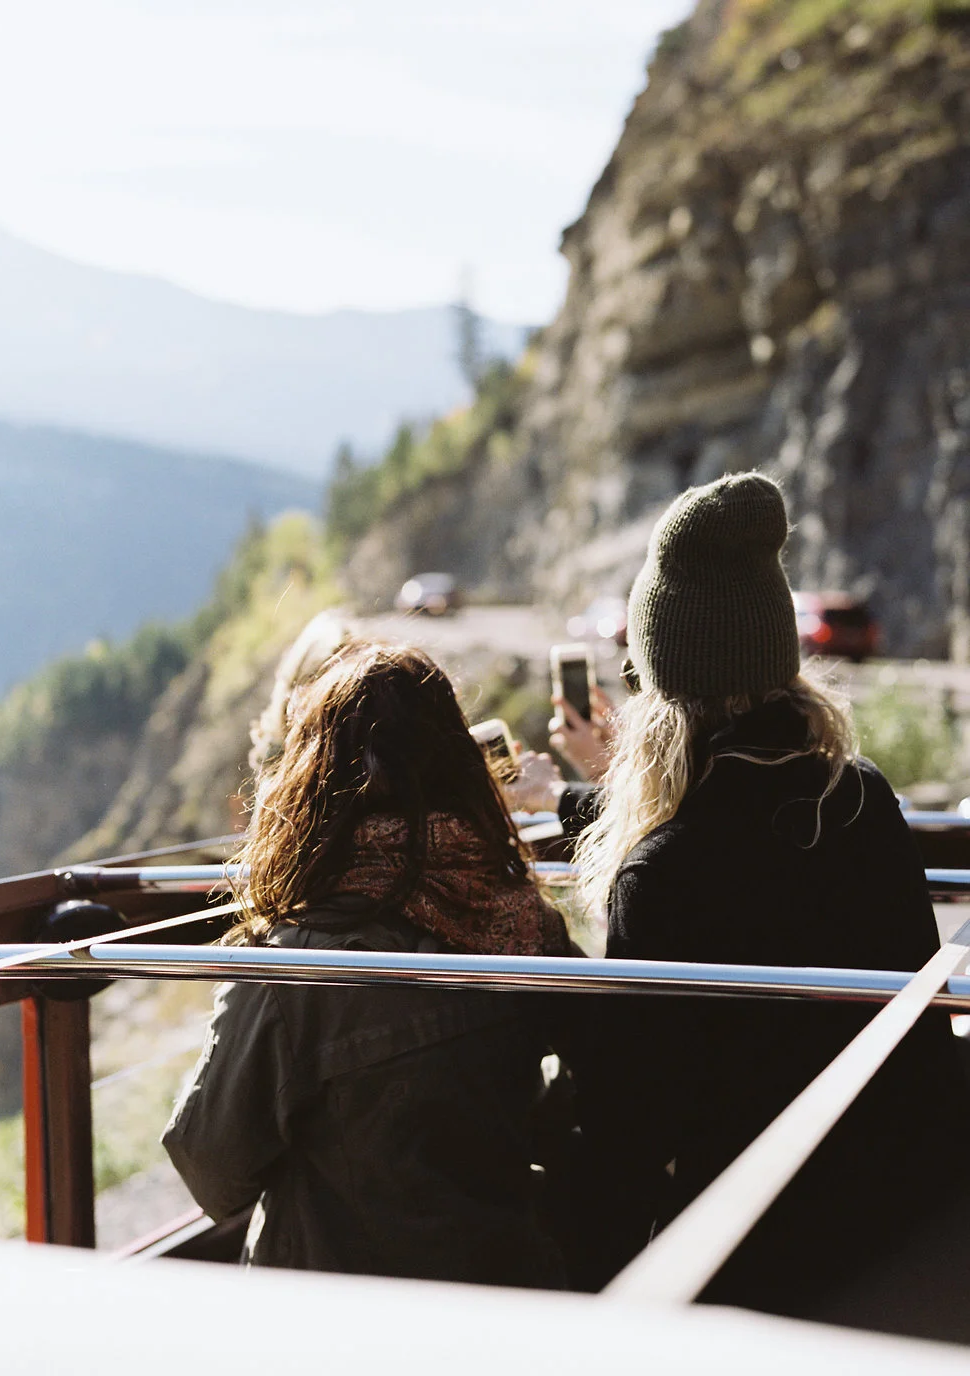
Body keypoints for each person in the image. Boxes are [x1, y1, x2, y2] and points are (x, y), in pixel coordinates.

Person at [566, 472, 970, 1333]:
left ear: (662, 686)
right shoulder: (858, 797)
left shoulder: (666, 873)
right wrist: (578, 800)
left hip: (764, 1273)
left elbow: (625, 1131)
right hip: (914, 1228)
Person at [163, 640, 571, 1288]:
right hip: (504, 1292)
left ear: (313, 782)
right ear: (459, 765)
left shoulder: (296, 968)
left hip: (339, 1314)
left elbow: (213, 1167)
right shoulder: (524, 920)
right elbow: (606, 1074)